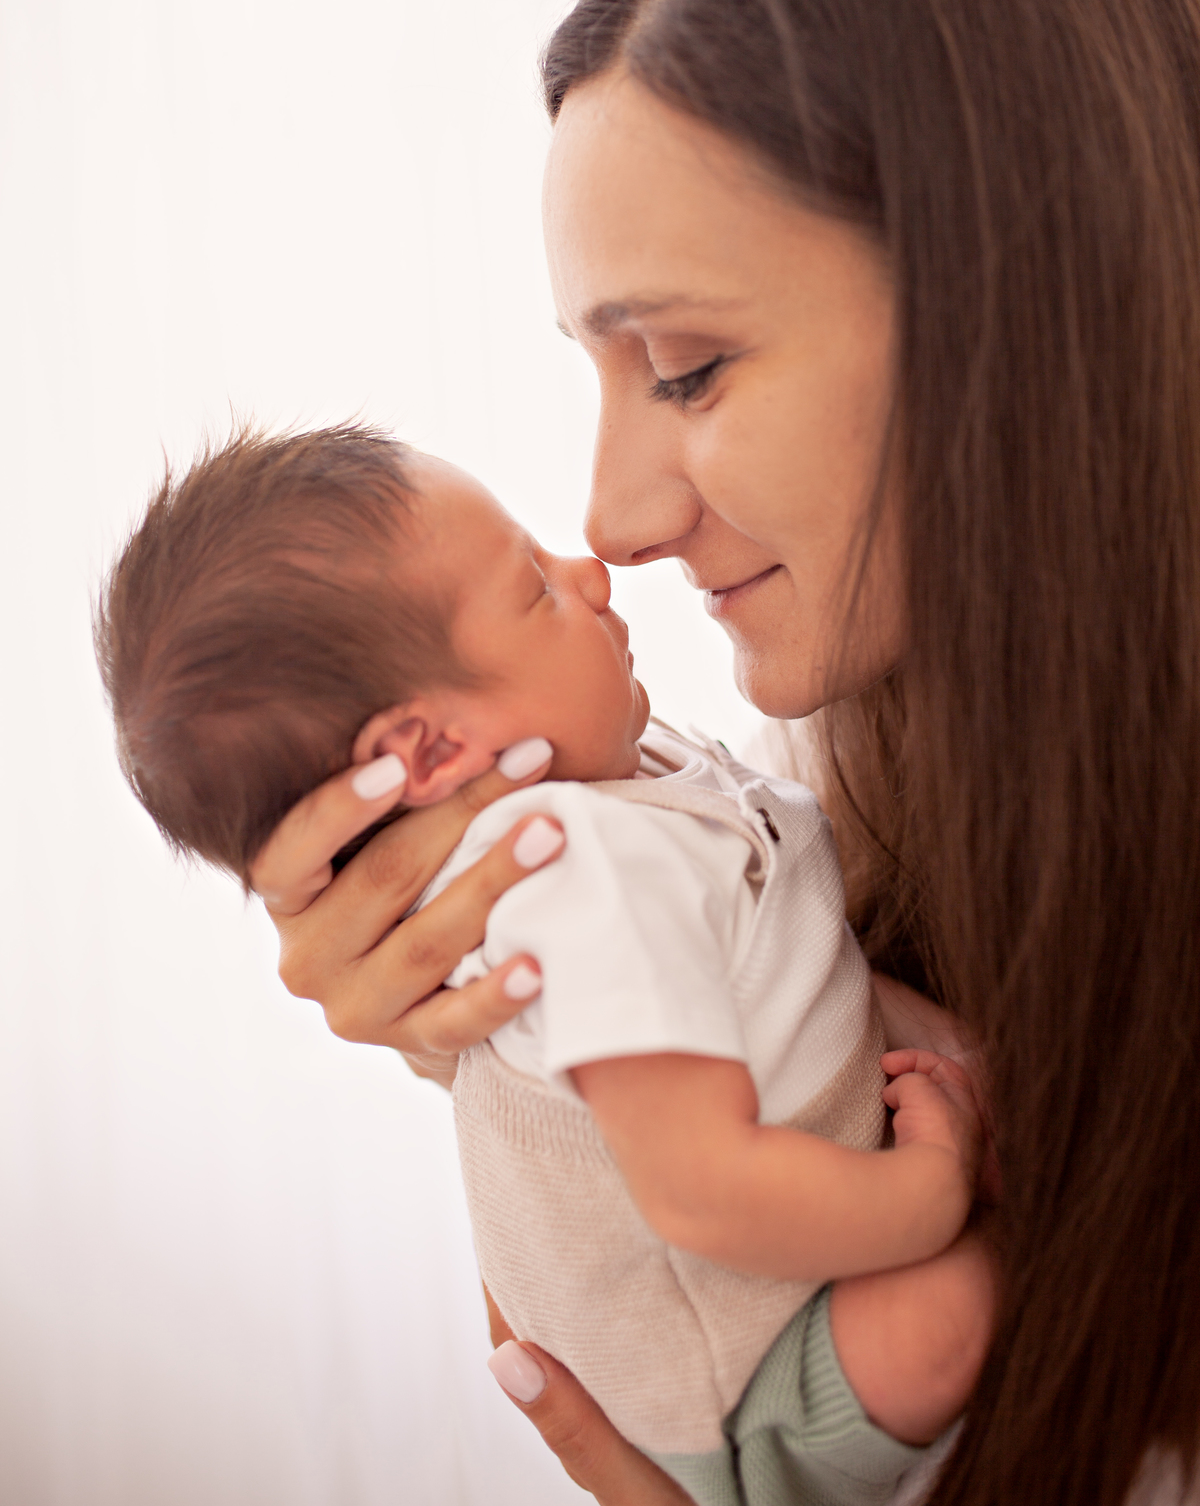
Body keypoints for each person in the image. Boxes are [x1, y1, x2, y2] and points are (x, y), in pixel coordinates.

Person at [245, 0, 1200, 1506]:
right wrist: (451, 992)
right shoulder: (822, 793)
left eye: (683, 370)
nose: (607, 519)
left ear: (1025, 304)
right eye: (597, 375)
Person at [95, 423, 989, 1506]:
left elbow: (774, 961)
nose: (594, 568)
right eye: (534, 589)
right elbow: (704, 1191)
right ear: (426, 752)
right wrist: (930, 1193)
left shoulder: (623, 784)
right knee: (964, 1304)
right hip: (750, 1372)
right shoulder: (574, 876)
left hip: (778, 1276)